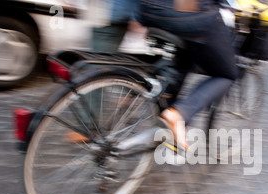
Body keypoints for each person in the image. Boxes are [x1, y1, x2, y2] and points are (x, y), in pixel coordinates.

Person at [91, 0, 238, 152]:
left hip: (148, 11)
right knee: (226, 74)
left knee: (184, 56)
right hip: (190, 13)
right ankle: (179, 114)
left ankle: (165, 119)